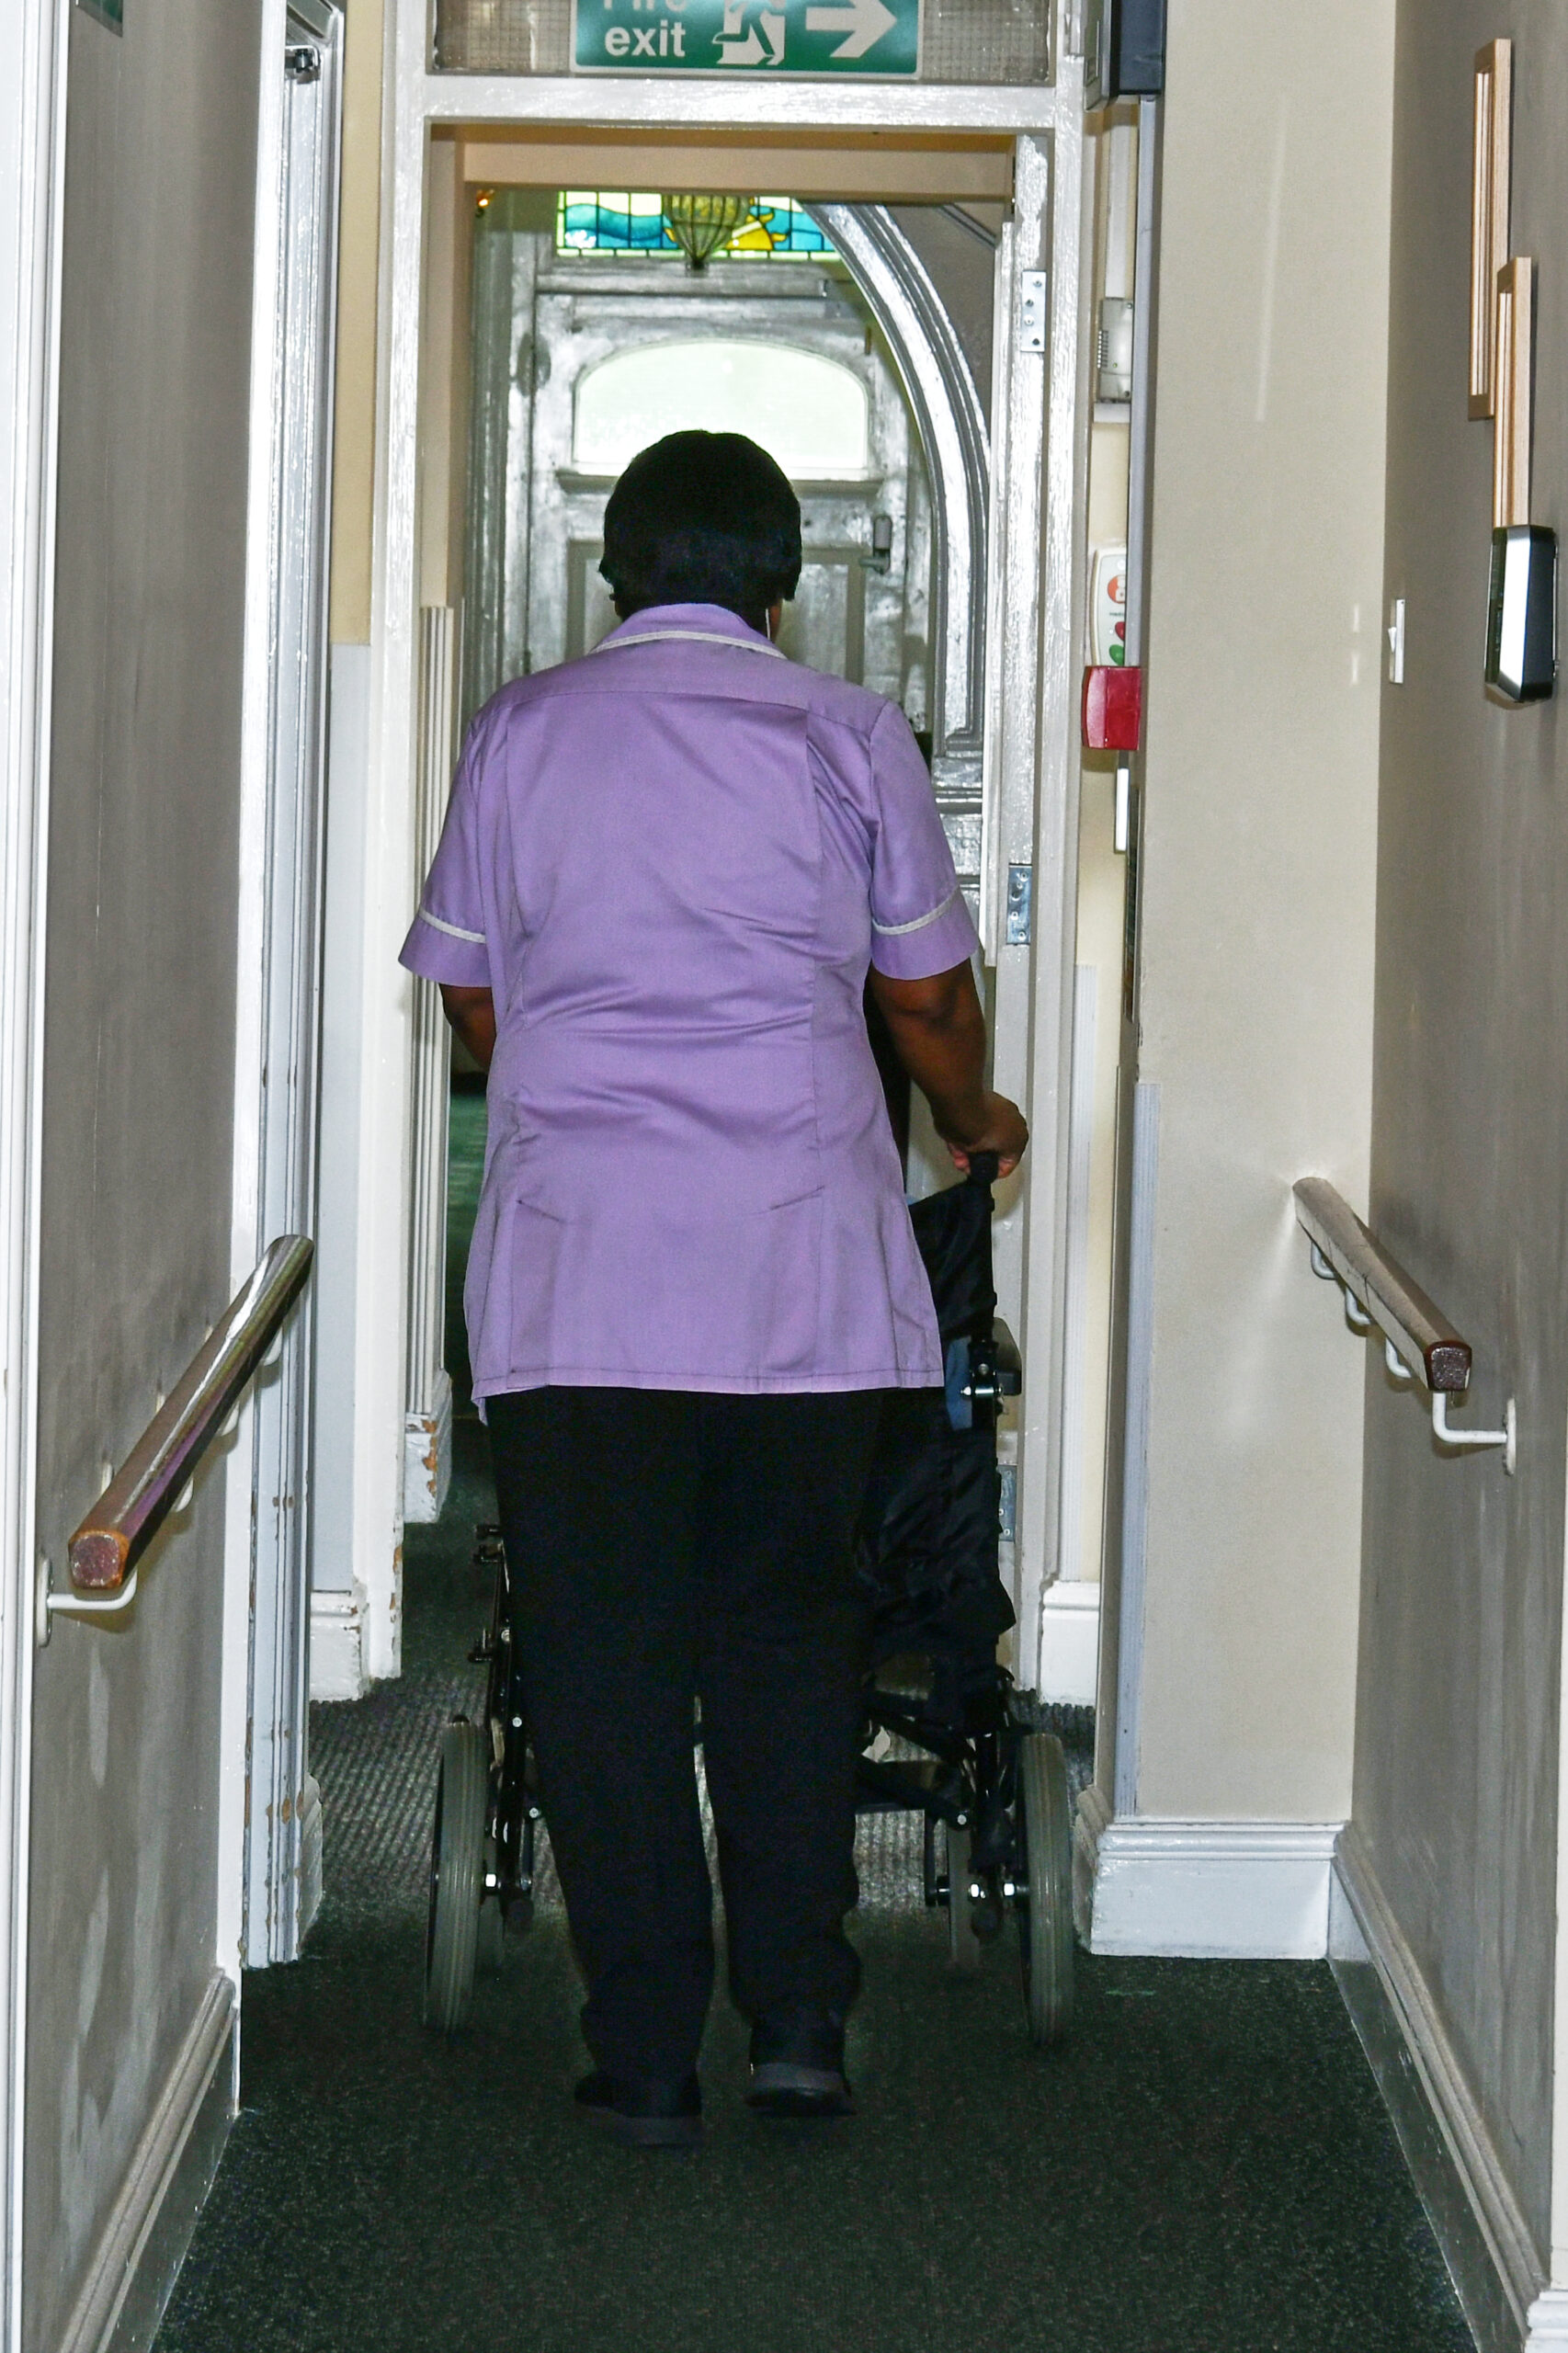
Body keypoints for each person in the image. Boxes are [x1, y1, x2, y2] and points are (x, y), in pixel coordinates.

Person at [400, 429, 1027, 2150]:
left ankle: (644, 2055)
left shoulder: (519, 732)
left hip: (582, 1279)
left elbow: (471, 1001)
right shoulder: (848, 736)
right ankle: (800, 2028)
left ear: (615, 574)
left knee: (600, 1666)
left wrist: (588, 1064)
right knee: (787, 1649)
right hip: (794, 1275)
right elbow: (922, 999)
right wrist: (977, 1117)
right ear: (781, 583)